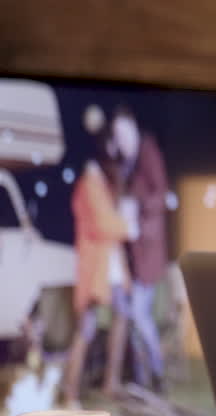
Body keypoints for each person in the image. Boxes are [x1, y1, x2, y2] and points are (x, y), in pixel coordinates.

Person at [61, 116, 131, 407]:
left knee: (122, 316)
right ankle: (70, 393)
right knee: (86, 329)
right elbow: (103, 224)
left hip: (111, 268)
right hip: (96, 269)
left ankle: (110, 381)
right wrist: (128, 225)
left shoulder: (102, 180)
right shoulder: (90, 181)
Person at [110, 105, 170, 394]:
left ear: (132, 128)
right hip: (130, 254)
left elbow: (160, 195)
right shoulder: (124, 160)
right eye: (116, 134)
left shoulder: (146, 150)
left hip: (147, 251)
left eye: (123, 132)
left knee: (138, 314)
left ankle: (157, 374)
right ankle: (140, 379)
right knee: (132, 315)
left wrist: (138, 208)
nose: (120, 139)